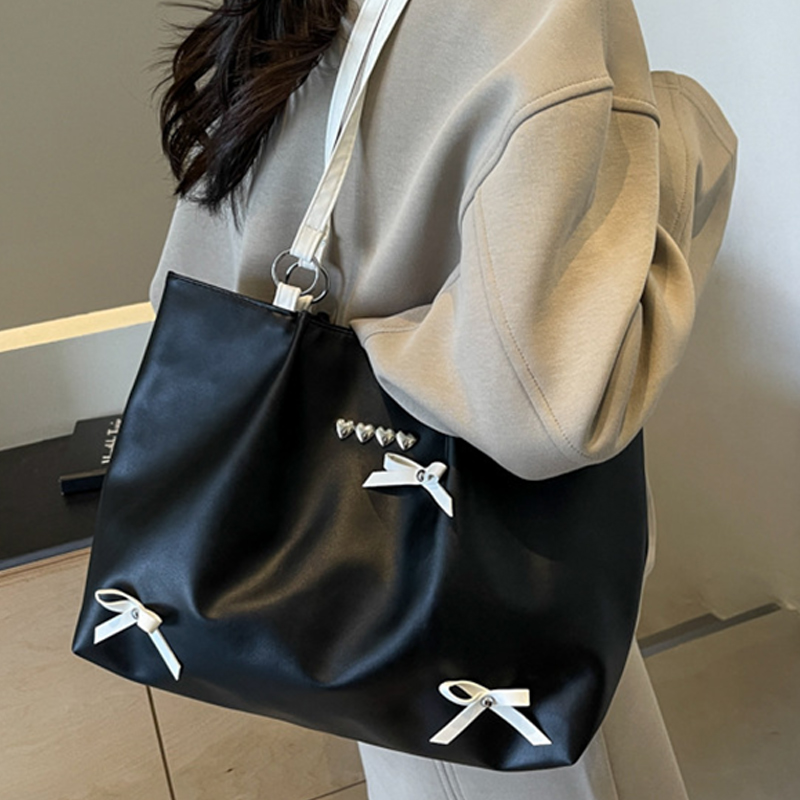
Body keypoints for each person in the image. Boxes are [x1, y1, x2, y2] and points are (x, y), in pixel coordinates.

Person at [150, 1, 737, 797]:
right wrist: (680, 134)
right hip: (486, 609)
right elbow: (546, 408)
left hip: (340, 592)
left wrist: (338, 348)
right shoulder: (546, 14)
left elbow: (187, 303)